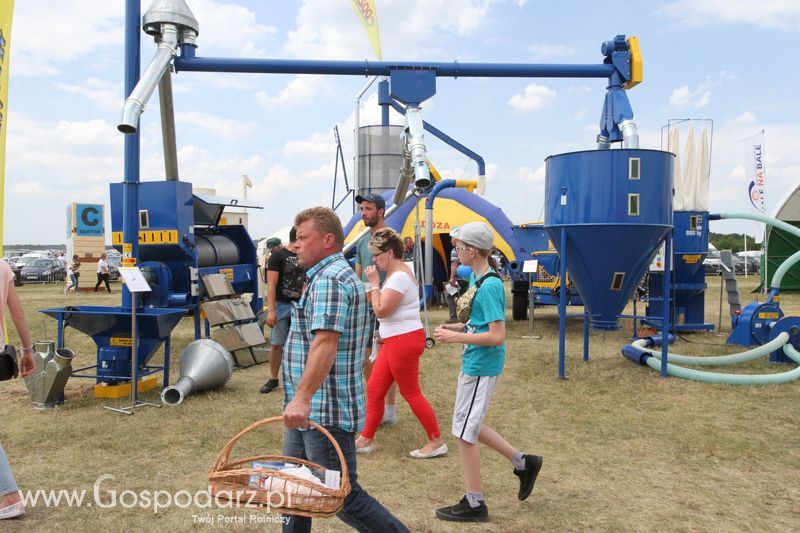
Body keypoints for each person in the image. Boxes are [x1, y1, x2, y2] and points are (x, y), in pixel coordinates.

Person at [281, 207, 408, 532]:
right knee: (295, 489)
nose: (295, 244)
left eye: (302, 237)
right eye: (295, 238)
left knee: (341, 496)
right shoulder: (322, 277)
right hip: (308, 408)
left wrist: (302, 398)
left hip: (323, 409)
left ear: (327, 240)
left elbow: (325, 342)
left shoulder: (331, 279)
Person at [433, 222, 543, 523]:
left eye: (458, 247)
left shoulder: (491, 285)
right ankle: (523, 463)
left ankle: (475, 503)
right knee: (468, 423)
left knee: (464, 432)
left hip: (482, 364)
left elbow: (496, 335)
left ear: (472, 250)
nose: (455, 251)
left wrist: (457, 337)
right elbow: (479, 324)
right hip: (475, 362)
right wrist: (453, 327)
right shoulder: (481, 279)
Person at [354, 228, 446, 458]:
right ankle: (365, 439)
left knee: (411, 392)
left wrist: (375, 285)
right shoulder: (399, 275)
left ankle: (436, 440)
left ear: (390, 253)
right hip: (396, 339)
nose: (374, 260)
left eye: (377, 255)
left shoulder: (398, 276)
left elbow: (382, 311)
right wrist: (376, 290)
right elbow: (385, 306)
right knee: (375, 389)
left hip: (402, 340)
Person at [354, 193, 398, 426]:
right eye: (362, 209)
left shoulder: (391, 239)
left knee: (386, 360)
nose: (364, 213)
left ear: (380, 212)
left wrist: (382, 299)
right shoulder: (362, 240)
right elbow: (359, 273)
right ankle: (375, 406)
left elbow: (397, 272)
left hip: (386, 307)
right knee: (367, 359)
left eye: (368, 209)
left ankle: (388, 411)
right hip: (367, 306)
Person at [0, 259, 35, 520]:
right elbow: (18, 313)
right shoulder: (2, 266)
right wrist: (27, 350)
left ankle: (10, 495)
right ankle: (10, 494)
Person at [260, 227, 304, 394]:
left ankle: (299, 378)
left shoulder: (305, 255)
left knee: (301, 344)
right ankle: (273, 378)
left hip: (300, 305)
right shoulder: (278, 255)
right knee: (277, 343)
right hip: (282, 305)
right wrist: (271, 311)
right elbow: (271, 284)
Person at [444, 244, 461, 322]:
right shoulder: (471, 246)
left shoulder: (455, 250)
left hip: (458, 278)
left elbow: (454, 264)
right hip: (469, 278)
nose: (450, 241)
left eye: (452, 238)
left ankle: (453, 317)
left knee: (449, 295)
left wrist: (452, 278)